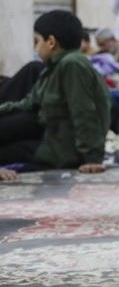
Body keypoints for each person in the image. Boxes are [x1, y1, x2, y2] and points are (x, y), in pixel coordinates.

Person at [0, 11, 110, 180]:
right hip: (50, 140)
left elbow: (84, 113)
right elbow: (27, 103)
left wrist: (92, 158)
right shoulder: (53, 68)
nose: (35, 48)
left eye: (37, 41)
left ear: (51, 42)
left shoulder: (72, 64)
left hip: (60, 150)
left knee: (6, 152)